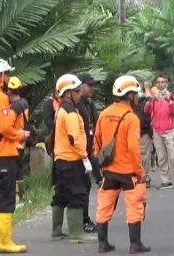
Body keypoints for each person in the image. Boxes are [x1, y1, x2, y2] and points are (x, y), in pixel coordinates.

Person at [94, 75, 150, 254]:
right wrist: (139, 171)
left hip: (109, 170)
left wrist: (101, 162)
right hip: (128, 172)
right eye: (135, 94)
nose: (137, 97)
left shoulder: (104, 113)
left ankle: (103, 244)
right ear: (130, 95)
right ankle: (135, 245)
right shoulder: (131, 117)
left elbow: (97, 140)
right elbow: (134, 148)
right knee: (134, 206)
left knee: (104, 206)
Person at [0, 58, 30, 253]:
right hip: (3, 153)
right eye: (7, 74)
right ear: (0, 76)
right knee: (5, 196)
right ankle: (4, 241)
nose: (8, 77)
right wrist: (21, 134)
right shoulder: (0, 98)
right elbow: (5, 127)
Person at [50, 74, 98, 244]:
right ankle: (76, 232)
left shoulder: (62, 108)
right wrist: (85, 158)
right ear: (68, 93)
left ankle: (56, 231)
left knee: (61, 194)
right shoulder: (70, 112)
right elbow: (75, 138)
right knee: (77, 193)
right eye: (76, 91)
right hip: (72, 159)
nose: (80, 94)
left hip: (62, 159)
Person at [144, 74, 174, 189]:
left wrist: (169, 101)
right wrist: (149, 101)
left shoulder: (173, 97)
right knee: (161, 157)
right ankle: (166, 181)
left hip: (169, 131)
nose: (160, 84)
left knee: (173, 156)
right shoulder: (154, 98)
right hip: (157, 131)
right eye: (158, 82)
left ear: (166, 83)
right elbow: (147, 111)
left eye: (162, 82)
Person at [77, 74, 101, 234]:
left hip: (89, 150)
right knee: (80, 188)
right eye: (89, 85)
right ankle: (81, 222)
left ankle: (83, 220)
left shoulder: (89, 103)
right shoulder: (74, 105)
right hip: (77, 153)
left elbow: (96, 123)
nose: (92, 88)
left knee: (85, 186)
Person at [6, 77, 29, 207]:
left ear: (9, 91)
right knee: (18, 170)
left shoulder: (14, 107)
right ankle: (21, 197)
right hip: (22, 141)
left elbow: (7, 126)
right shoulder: (24, 103)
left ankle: (18, 198)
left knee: (14, 171)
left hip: (15, 141)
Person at [135, 87, 153, 188]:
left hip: (143, 134)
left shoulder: (144, 106)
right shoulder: (130, 106)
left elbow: (148, 119)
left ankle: (146, 178)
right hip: (134, 135)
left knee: (144, 156)